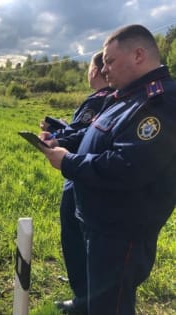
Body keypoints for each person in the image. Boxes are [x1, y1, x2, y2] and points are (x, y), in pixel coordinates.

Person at [40, 24, 176, 315]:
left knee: (110, 306)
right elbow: (95, 135)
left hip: (121, 231)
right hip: (102, 222)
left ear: (139, 55)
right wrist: (60, 142)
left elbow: (128, 167)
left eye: (110, 61)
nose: (105, 69)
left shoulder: (160, 102)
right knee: (99, 299)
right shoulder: (126, 96)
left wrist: (68, 162)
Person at [41, 51, 114, 315]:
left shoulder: (100, 99)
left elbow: (82, 134)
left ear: (95, 71)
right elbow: (85, 130)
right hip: (89, 174)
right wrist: (60, 128)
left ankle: (83, 301)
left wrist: (58, 139)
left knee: (75, 240)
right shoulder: (113, 99)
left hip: (81, 176)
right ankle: (86, 299)